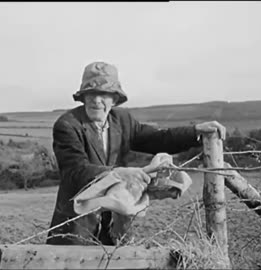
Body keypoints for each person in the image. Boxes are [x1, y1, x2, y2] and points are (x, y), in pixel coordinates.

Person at [46, 61, 226, 245]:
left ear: (114, 99)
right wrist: (117, 173)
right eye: (91, 93)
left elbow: (158, 139)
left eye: (104, 94)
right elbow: (75, 171)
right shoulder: (68, 125)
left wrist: (194, 131)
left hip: (114, 227)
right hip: (76, 227)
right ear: (83, 97)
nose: (96, 100)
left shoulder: (122, 120)